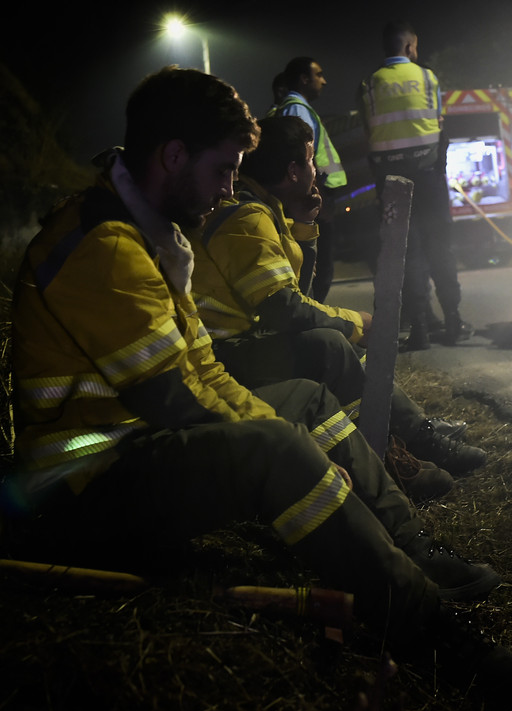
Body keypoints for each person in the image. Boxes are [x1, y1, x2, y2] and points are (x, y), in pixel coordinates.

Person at [8, 66, 512, 709]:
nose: (231, 186)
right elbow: (173, 396)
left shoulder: (149, 233)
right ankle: (427, 625)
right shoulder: (106, 246)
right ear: (173, 156)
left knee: (306, 406)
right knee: (278, 447)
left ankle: (409, 546)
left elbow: (206, 375)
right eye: (224, 168)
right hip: (84, 482)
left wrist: (286, 433)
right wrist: (290, 450)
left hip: (135, 442)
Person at [189, 115, 487, 493]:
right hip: (222, 356)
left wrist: (303, 225)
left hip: (237, 346)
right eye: (312, 160)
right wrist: (357, 322)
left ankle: (408, 435)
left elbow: (299, 297)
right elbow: (287, 308)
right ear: (294, 171)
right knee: (329, 344)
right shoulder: (248, 218)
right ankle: (414, 439)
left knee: (328, 340)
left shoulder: (265, 211)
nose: (317, 169)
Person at [359, 22, 466, 351]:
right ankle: (453, 321)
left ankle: (419, 328)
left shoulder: (369, 84)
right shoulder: (426, 77)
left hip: (391, 180)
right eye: (415, 47)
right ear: (408, 48)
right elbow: (438, 123)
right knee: (440, 247)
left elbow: (368, 130)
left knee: (407, 252)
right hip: (428, 174)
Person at [268, 57, 346, 302]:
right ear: (304, 79)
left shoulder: (297, 108)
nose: (324, 80)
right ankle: (312, 324)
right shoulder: (297, 110)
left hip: (313, 197)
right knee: (318, 269)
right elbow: (301, 160)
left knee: (319, 269)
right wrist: (313, 197)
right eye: (318, 75)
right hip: (312, 200)